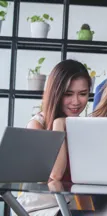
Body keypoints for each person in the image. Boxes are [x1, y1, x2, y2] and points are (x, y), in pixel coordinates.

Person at [16, 59, 94, 216]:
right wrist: (59, 125)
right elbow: (55, 175)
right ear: (56, 93)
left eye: (83, 94)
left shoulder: (80, 127)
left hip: (67, 208)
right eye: (68, 94)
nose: (76, 102)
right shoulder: (37, 125)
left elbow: (82, 183)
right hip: (40, 209)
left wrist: (93, 213)